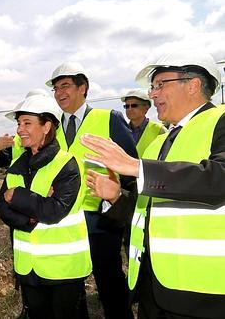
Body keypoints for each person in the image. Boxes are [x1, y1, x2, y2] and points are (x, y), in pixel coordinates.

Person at [81, 49, 225, 319]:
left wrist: (136, 167)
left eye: (160, 84)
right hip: (154, 289)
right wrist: (116, 197)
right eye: (152, 86)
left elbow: (220, 176)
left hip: (205, 296)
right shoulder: (158, 144)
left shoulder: (220, 121)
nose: (153, 94)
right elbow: (145, 215)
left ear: (193, 85)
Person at [47, 62, 137, 319]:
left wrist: (121, 204)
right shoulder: (51, 128)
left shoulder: (108, 119)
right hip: (66, 220)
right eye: (55, 88)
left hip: (102, 219)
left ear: (82, 88)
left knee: (108, 279)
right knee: (72, 283)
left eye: (65, 86)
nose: (59, 93)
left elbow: (131, 165)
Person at [0, 92, 91, 319]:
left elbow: (53, 211)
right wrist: (31, 216)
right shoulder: (18, 164)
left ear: (47, 126)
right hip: (28, 268)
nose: (20, 130)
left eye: (27, 123)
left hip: (63, 270)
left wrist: (17, 196)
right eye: (19, 123)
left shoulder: (67, 164)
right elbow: (2, 207)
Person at [121, 88, 166, 157]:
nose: (129, 109)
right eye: (127, 106)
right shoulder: (121, 130)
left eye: (134, 105)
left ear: (146, 107)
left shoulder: (159, 130)